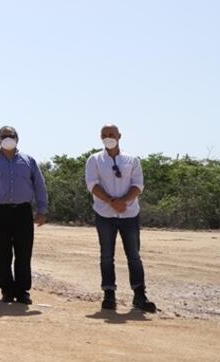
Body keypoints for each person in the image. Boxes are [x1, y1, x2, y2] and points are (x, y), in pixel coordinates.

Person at [85, 124, 157, 312]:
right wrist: (111, 201)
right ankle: (109, 294)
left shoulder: (132, 160)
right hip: (104, 214)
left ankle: (139, 294)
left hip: (129, 213)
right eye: (104, 135)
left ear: (119, 136)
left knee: (134, 255)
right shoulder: (94, 160)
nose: (108, 137)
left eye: (111, 134)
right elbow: (92, 185)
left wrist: (123, 201)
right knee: (107, 255)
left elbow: (138, 185)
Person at [0, 125, 48, 304]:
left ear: (17, 138)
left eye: (11, 135)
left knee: (24, 252)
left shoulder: (28, 161)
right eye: (4, 135)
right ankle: (7, 289)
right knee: (1, 253)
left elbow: (39, 185)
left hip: (23, 211)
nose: (8, 138)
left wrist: (42, 210)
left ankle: (22, 291)